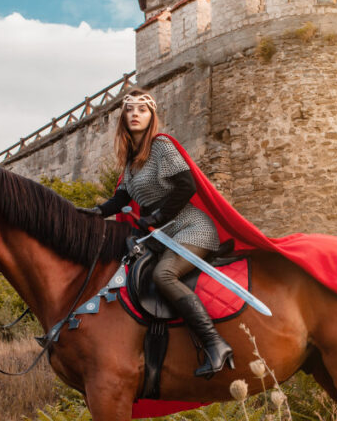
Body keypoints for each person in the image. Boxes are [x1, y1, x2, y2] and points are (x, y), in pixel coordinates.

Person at [80, 89, 233, 378]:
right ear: (123, 118)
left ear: (152, 117)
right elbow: (122, 198)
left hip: (191, 228)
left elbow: (187, 185)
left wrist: (160, 216)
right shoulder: (130, 160)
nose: (135, 114)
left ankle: (215, 344)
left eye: (142, 109)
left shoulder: (161, 146)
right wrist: (94, 212)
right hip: (162, 236)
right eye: (130, 109)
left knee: (164, 275)